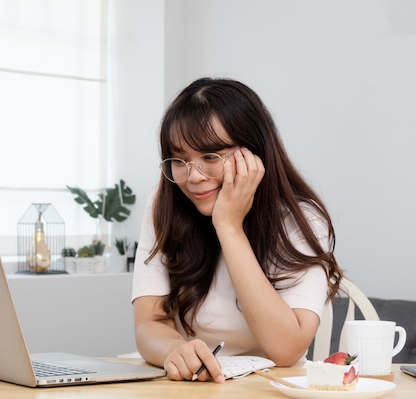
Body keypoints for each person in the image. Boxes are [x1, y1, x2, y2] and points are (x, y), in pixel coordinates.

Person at [131, 77, 343, 383]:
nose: (194, 177)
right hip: (194, 387)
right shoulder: (164, 204)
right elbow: (148, 322)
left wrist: (228, 226)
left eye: (210, 157)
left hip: (272, 386)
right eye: (180, 160)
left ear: (254, 153)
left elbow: (287, 348)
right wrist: (175, 349)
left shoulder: (301, 218)